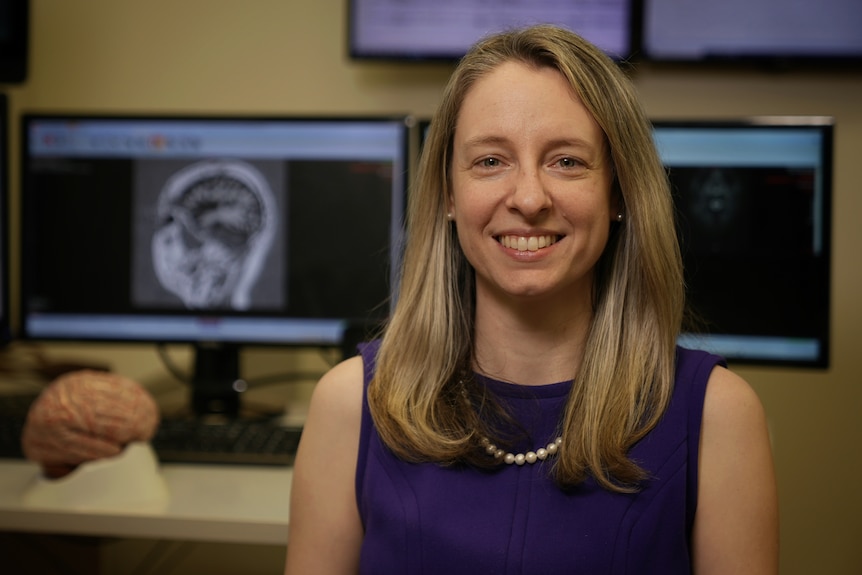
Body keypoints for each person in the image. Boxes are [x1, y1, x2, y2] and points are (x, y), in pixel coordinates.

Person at [284, 24, 778, 574]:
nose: (528, 198)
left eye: (566, 161)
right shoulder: (350, 407)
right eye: (490, 161)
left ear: (617, 192)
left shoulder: (717, 416)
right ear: (448, 193)